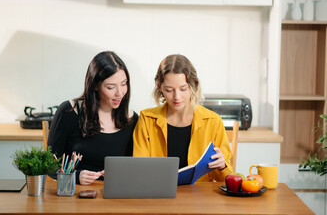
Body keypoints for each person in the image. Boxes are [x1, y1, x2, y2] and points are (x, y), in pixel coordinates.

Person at [133, 54, 232, 182]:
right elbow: (139, 170)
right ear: (160, 87)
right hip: (158, 194)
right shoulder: (146, 120)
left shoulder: (213, 121)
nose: (177, 97)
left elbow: (226, 179)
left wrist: (222, 166)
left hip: (199, 197)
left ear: (193, 86)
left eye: (183, 89)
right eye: (169, 90)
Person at [48, 51, 138, 185]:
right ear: (95, 85)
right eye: (111, 87)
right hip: (76, 195)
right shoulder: (69, 112)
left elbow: (136, 168)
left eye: (124, 84)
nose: (120, 93)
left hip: (116, 195)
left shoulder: (131, 119)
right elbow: (50, 164)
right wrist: (76, 176)